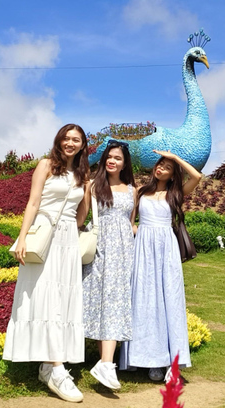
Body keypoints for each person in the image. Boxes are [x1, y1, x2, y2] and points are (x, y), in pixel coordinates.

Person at [3, 124, 90, 403]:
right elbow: (33, 202)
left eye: (76, 139)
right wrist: (22, 237)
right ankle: (56, 368)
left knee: (62, 299)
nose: (70, 143)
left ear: (82, 145)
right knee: (45, 296)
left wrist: (86, 190)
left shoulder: (82, 173)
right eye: (66, 138)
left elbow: (80, 216)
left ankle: (49, 366)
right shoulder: (45, 165)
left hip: (68, 239)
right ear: (58, 140)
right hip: (43, 235)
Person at [119, 149, 201, 382]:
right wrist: (137, 234)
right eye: (160, 164)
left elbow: (197, 177)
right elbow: (131, 220)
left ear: (173, 172)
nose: (160, 168)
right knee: (142, 300)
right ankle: (142, 358)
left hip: (166, 249)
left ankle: (167, 362)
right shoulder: (141, 192)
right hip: (143, 247)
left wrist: (175, 158)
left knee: (169, 302)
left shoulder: (176, 193)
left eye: (166, 166)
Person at [78, 140, 137, 390]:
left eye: (118, 158)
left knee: (115, 299)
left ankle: (105, 363)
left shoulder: (132, 190)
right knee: (102, 299)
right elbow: (82, 218)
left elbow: (131, 223)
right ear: (104, 160)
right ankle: (105, 363)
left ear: (125, 164)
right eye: (110, 157)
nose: (113, 161)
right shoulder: (92, 186)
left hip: (124, 251)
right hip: (101, 247)